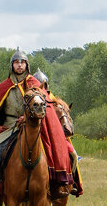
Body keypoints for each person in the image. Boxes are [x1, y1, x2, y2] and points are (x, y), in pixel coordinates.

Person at [0, 49, 75, 203]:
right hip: (9, 128)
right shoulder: (4, 86)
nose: (20, 65)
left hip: (32, 126)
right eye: (17, 62)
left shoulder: (34, 84)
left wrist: (27, 117)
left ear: (27, 65)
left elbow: (45, 105)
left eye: (22, 62)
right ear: (12, 65)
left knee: (49, 152)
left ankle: (53, 184)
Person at [33, 69, 82, 198]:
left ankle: (70, 182)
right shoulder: (31, 97)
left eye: (42, 84)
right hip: (36, 135)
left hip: (55, 137)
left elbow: (64, 120)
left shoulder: (54, 100)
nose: (41, 86)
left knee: (73, 155)